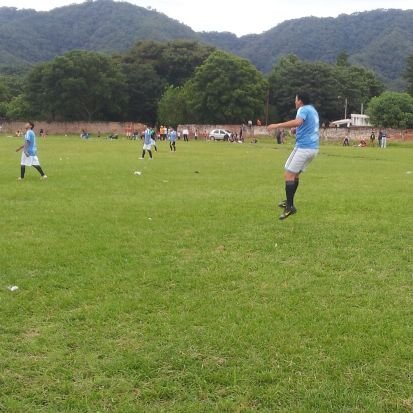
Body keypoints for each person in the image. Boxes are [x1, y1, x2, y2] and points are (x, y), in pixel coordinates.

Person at [268, 92, 319, 220]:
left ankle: (290, 207)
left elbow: (298, 121)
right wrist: (296, 130)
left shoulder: (302, 109)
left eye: (295, 99)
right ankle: (288, 201)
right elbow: (307, 125)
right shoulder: (312, 110)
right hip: (312, 148)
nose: (294, 102)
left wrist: (277, 125)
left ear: (300, 101)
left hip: (304, 148)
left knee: (288, 175)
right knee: (294, 174)